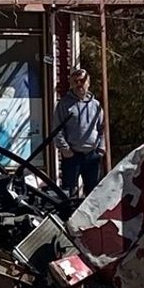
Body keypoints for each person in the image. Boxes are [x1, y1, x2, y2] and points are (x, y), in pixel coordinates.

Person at [54, 68, 105, 198]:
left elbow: (102, 129)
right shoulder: (64, 104)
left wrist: (101, 148)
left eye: (82, 81)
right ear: (71, 83)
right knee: (69, 192)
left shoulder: (96, 105)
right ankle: (68, 217)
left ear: (88, 82)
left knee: (93, 194)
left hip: (92, 155)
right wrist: (64, 148)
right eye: (75, 81)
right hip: (72, 155)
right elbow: (57, 129)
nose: (79, 84)